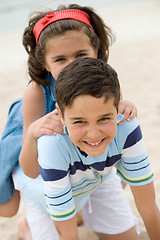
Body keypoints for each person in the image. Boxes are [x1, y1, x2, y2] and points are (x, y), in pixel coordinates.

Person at [0, 4, 137, 239]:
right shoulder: (36, 92)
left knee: (116, 177)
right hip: (40, 169)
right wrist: (33, 132)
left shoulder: (103, 79)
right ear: (45, 63)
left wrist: (124, 109)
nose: (72, 64)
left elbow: (116, 141)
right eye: (60, 59)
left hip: (85, 161)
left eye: (81, 55)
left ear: (97, 50)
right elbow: (31, 170)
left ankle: (83, 214)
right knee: (8, 207)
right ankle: (29, 226)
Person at [37, 57, 160, 240]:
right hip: (41, 195)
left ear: (118, 106)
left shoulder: (126, 126)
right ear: (61, 115)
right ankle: (28, 227)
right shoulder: (52, 144)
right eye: (79, 121)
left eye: (104, 118)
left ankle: (80, 212)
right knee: (61, 221)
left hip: (94, 182)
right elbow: (68, 233)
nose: (94, 134)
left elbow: (148, 206)